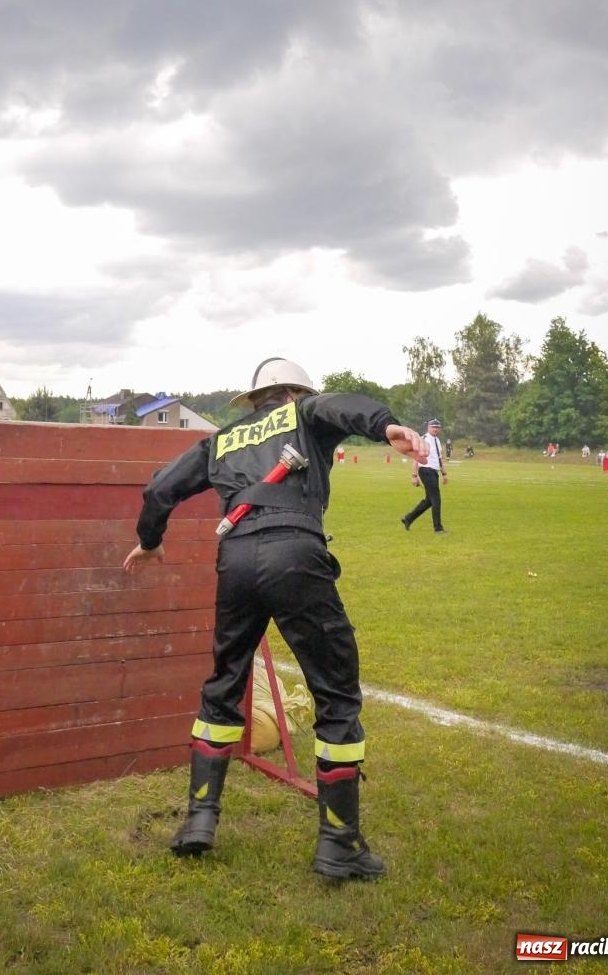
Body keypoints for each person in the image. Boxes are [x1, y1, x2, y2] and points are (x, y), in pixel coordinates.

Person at [123, 357, 427, 881]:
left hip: (235, 559)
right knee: (335, 691)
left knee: (224, 683)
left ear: (254, 399)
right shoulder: (304, 412)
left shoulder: (222, 438)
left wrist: (150, 542)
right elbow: (340, 406)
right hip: (295, 551)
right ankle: (339, 843)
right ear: (292, 393)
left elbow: (159, 489)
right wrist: (385, 424)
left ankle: (199, 819)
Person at [401, 417, 448, 534]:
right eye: (433, 427)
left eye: (437, 427)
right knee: (436, 499)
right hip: (426, 471)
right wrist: (414, 476)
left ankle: (408, 518)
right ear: (428, 427)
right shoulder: (423, 439)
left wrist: (444, 473)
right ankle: (438, 529)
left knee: (429, 500)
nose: (435, 429)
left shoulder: (437, 441)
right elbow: (416, 458)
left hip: (434, 472)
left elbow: (439, 458)